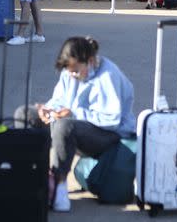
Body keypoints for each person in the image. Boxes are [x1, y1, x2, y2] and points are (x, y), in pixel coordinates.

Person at [14, 37, 135, 212]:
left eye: (76, 72)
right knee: (25, 114)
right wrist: (47, 110)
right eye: (69, 72)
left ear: (90, 62)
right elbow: (59, 99)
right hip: (74, 123)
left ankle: (59, 186)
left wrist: (73, 113)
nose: (72, 76)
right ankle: (33, 177)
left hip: (109, 135)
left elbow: (111, 120)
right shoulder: (69, 71)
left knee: (64, 126)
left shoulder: (108, 75)